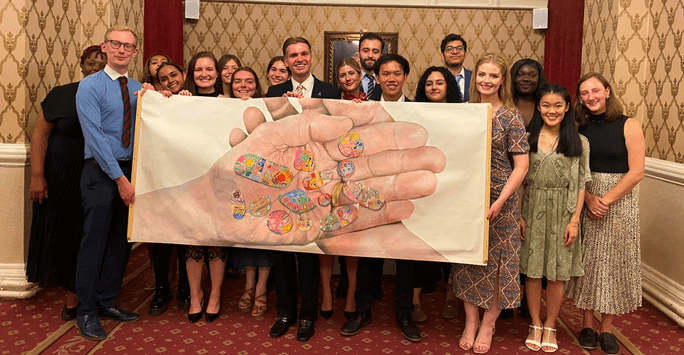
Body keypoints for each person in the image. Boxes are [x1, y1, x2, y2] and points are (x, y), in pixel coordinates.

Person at [341, 53, 424, 342]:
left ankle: (404, 314)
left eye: (397, 73)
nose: (391, 78)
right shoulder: (365, 109)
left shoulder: (421, 111)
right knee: (368, 255)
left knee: (406, 258)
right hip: (371, 191)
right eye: (385, 74)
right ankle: (363, 311)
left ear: (405, 77)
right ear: (376, 78)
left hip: (405, 189)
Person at [450, 53, 529, 354]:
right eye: (482, 74)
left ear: (502, 80)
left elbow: (521, 166)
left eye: (493, 76)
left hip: (503, 199)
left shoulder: (511, 117)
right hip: (468, 196)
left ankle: (488, 324)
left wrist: (500, 201)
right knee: (468, 259)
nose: (486, 80)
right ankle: (470, 321)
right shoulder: (464, 112)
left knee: (499, 265)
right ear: (475, 77)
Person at [265, 37, 339, 343]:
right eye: (293, 55)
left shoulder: (332, 92)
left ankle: (307, 315)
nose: (299, 58)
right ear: (285, 60)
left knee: (308, 252)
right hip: (281, 182)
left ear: (312, 57)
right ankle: (285, 313)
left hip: (314, 184)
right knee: (282, 251)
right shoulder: (271, 93)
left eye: (304, 53)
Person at [566, 73, 645, 355]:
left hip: (619, 202)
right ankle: (587, 323)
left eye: (595, 91)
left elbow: (637, 171)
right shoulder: (578, 126)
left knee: (611, 264)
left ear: (608, 91)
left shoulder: (629, 124)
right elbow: (574, 169)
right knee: (587, 262)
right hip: (585, 197)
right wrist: (588, 198)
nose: (591, 97)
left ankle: (607, 327)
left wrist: (605, 201)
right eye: (585, 93)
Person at [27, 45, 106, 322]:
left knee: (89, 233)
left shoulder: (111, 96)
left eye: (101, 64)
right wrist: (37, 175)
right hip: (61, 174)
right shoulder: (61, 94)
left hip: (97, 173)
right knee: (66, 232)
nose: (95, 68)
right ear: (81, 66)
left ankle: (88, 292)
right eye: (90, 63)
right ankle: (71, 294)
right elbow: (40, 135)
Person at [74, 26, 142, 341]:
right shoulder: (90, 86)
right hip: (101, 173)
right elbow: (96, 137)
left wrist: (174, 99)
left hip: (132, 172)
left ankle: (106, 301)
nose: (121, 50)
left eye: (128, 46)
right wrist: (120, 180)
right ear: (105, 47)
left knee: (121, 242)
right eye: (116, 44)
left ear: (135, 52)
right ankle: (86, 311)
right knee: (95, 243)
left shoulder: (141, 89)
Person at [520, 83, 590, 353]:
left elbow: (581, 184)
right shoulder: (527, 138)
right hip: (533, 207)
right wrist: (519, 216)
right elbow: (520, 183)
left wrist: (574, 221)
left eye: (558, 105)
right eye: (546, 105)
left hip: (564, 210)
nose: (552, 110)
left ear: (567, 107)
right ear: (539, 107)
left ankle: (551, 325)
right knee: (534, 272)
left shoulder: (579, 142)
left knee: (558, 274)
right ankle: (535, 323)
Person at [316, 58, 365, 322]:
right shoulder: (329, 103)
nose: (347, 78)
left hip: (356, 176)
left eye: (351, 74)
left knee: (349, 241)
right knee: (328, 239)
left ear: (360, 75)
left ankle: (351, 295)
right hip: (328, 175)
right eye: (342, 75)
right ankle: (326, 293)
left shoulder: (372, 101)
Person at [412, 66, 462, 323]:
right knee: (419, 248)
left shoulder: (465, 116)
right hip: (423, 188)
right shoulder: (415, 113)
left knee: (450, 249)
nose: (433, 87)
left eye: (439, 82)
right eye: (429, 83)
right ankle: (415, 301)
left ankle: (452, 297)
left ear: (449, 87)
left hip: (453, 190)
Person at [226, 67, 273, 317]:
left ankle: (261, 290)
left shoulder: (266, 106)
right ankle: (248, 286)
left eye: (249, 81)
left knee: (263, 237)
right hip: (237, 184)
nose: (243, 85)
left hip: (266, 183)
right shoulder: (220, 107)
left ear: (257, 84)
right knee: (246, 238)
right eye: (238, 81)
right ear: (230, 84)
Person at [511, 58, 546, 127]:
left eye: (532, 75)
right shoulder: (503, 103)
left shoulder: (547, 106)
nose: (526, 79)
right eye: (520, 74)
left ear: (539, 78)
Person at [440, 33, 472, 102]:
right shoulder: (436, 79)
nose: (455, 52)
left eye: (459, 48)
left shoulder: (474, 78)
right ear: (442, 55)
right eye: (449, 49)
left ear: (465, 54)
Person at [358, 32, 384, 100]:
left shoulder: (386, 80)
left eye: (375, 51)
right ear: (359, 53)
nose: (370, 55)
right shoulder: (349, 79)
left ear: (381, 55)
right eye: (365, 51)